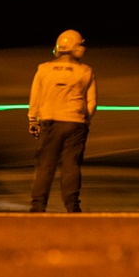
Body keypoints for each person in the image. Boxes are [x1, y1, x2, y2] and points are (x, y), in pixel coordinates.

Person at [27, 30, 97, 213]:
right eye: (80, 44)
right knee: (71, 166)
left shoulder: (43, 69)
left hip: (50, 123)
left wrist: (32, 120)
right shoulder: (85, 71)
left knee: (45, 167)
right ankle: (73, 207)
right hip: (76, 123)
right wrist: (84, 121)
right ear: (74, 46)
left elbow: (36, 97)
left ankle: (38, 207)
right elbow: (91, 102)